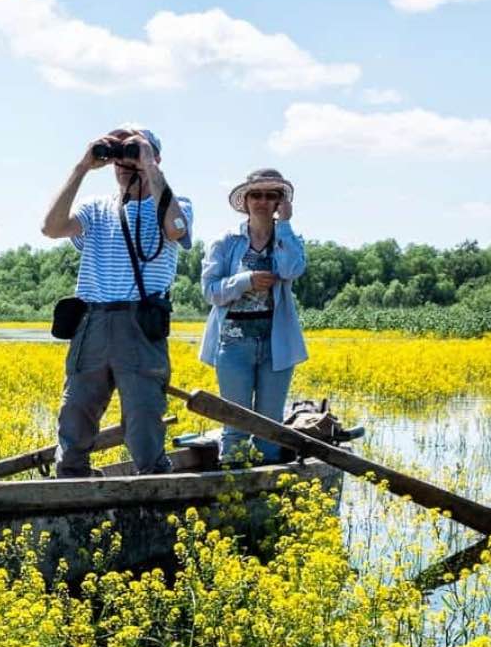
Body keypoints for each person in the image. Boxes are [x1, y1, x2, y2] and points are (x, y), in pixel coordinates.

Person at [41, 126, 194, 477]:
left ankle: (153, 481)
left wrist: (149, 165)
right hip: (92, 320)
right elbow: (50, 227)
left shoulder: (173, 204)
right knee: (77, 407)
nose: (125, 164)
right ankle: (71, 479)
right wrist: (82, 167)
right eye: (120, 157)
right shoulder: (96, 209)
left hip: (139, 323)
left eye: (134, 154)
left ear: (155, 158)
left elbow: (177, 229)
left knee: (143, 411)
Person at [200, 168, 308, 463]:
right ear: (245, 201)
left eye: (271, 195)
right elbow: (210, 291)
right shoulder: (226, 242)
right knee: (235, 424)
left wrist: (284, 225)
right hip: (233, 344)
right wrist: (245, 281)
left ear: (279, 203)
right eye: (256, 195)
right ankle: (232, 487)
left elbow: (290, 270)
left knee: (269, 427)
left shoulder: (290, 240)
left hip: (276, 344)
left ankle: (264, 493)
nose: (262, 201)